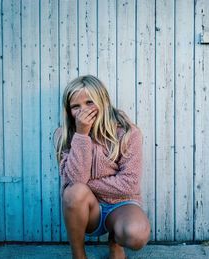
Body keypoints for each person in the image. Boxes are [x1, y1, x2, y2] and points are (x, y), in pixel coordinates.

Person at [54, 75, 150, 259]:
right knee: (75, 192)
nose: (83, 111)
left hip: (121, 204)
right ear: (69, 111)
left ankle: (115, 243)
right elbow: (74, 184)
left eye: (90, 102)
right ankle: (78, 255)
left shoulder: (128, 133)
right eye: (76, 106)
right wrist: (82, 135)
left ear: (103, 102)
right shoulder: (64, 136)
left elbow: (129, 184)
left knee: (137, 235)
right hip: (88, 210)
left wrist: (87, 183)